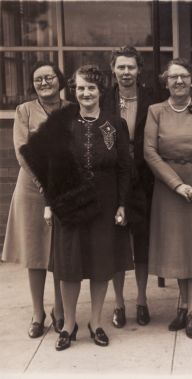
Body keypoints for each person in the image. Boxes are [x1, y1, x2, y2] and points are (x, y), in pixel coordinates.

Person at [20, 65, 133, 351]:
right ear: (74, 90)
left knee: (100, 264)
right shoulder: (61, 122)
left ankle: (96, 322)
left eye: (91, 88)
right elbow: (48, 167)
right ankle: (68, 324)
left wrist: (121, 204)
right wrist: (49, 204)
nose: (85, 93)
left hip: (105, 203)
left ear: (100, 91)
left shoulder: (115, 124)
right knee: (69, 265)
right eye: (80, 88)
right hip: (69, 201)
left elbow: (123, 168)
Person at [144, 58, 192, 339]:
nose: (179, 81)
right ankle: (181, 303)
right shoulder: (156, 112)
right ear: (166, 82)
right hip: (170, 189)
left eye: (184, 77)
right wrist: (176, 185)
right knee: (178, 248)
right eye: (173, 77)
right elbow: (150, 152)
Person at [1, 62, 67, 338]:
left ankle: (61, 310)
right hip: (32, 188)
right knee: (35, 253)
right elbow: (22, 151)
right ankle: (38, 313)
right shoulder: (24, 111)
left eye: (49, 77)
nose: (44, 83)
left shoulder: (71, 109)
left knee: (60, 253)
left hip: (65, 188)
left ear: (59, 80)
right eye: (38, 79)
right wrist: (43, 183)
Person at [104, 46, 157, 327]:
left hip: (145, 178)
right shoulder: (102, 100)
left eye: (131, 67)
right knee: (116, 241)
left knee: (142, 240)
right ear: (113, 70)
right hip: (111, 180)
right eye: (121, 67)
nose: (126, 72)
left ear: (139, 70)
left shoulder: (153, 99)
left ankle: (142, 300)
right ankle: (119, 303)